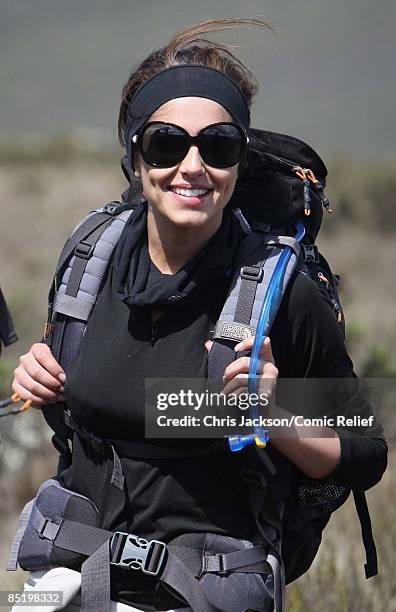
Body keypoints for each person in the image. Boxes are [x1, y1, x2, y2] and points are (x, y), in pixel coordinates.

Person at [11, 18, 387, 612]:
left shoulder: (278, 295)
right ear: (135, 157)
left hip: (198, 586)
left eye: (217, 146)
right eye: (165, 143)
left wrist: (270, 412)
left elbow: (365, 454)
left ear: (239, 161)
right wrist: (41, 375)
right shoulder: (91, 261)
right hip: (72, 573)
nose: (192, 167)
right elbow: (80, 385)